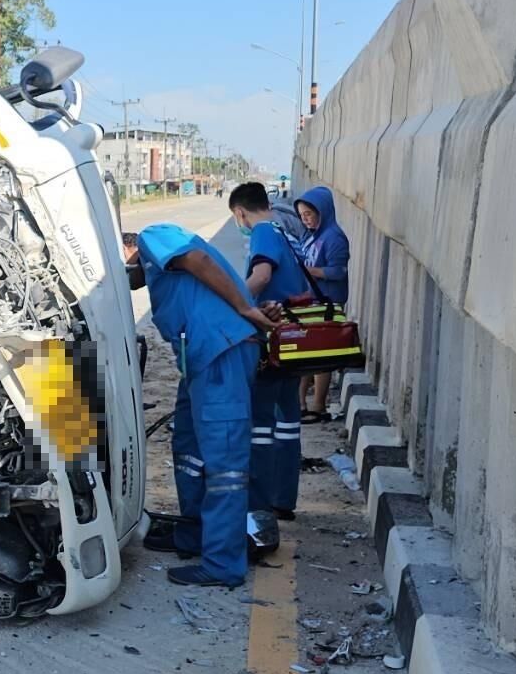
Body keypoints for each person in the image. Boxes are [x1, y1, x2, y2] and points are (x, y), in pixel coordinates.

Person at [127, 222, 279, 587]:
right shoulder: (154, 266)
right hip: (200, 359)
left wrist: (245, 308)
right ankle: (196, 534)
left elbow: (197, 258)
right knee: (189, 447)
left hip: (219, 354)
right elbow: (131, 279)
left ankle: (223, 563)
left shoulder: (153, 236)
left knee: (224, 462)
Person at [229, 182, 312, 523]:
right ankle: (283, 498)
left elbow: (261, 276)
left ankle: (260, 501)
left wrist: (234, 303)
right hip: (295, 336)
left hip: (272, 338)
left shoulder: (262, 232)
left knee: (262, 421)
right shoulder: (285, 232)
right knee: (288, 420)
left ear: (240, 212)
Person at [297, 186, 351, 421]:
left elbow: (338, 271)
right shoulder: (310, 235)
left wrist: (311, 272)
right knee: (305, 356)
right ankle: (300, 404)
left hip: (327, 304)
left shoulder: (334, 237)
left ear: (323, 211)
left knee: (320, 358)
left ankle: (318, 406)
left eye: (309, 214)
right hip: (311, 304)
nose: (305, 219)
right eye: (301, 215)